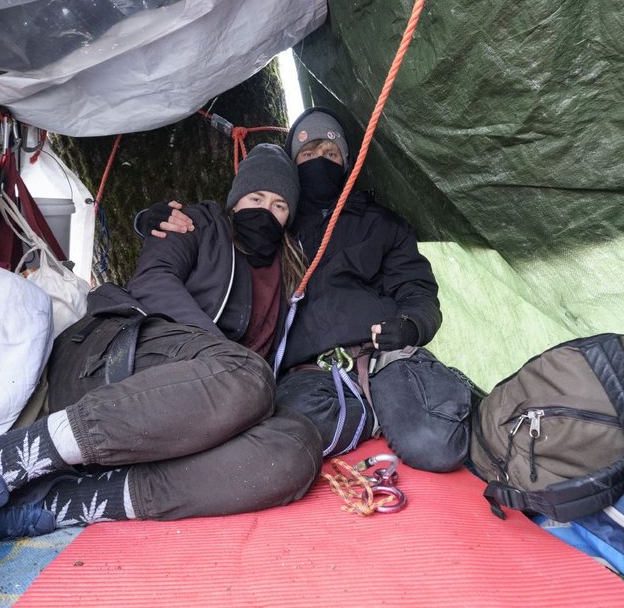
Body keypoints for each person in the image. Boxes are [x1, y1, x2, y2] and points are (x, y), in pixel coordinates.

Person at [0, 144, 323, 554]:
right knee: (247, 376)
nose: (266, 210)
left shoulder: (286, 277)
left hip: (183, 411)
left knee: (295, 450)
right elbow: (153, 280)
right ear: (236, 198)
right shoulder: (196, 223)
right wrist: (218, 355)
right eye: (257, 198)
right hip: (114, 354)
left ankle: (62, 501)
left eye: (279, 204)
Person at [137, 108, 472, 473]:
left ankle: (410, 401)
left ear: (347, 163)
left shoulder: (382, 224)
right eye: (308, 154)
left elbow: (418, 289)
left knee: (437, 444)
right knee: (274, 447)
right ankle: (378, 414)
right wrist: (154, 220)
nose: (319, 161)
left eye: (330, 154)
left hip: (381, 356)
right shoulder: (276, 229)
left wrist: (412, 324)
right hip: (308, 374)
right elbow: (218, 233)